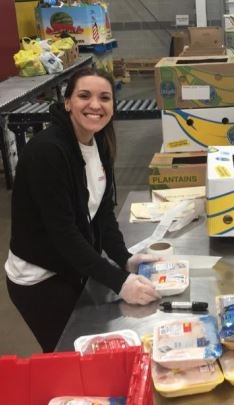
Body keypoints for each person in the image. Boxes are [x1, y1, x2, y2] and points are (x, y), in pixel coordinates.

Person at [5, 67, 161, 352]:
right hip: (39, 279)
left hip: (70, 267)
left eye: (105, 97)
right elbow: (63, 234)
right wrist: (119, 281)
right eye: (84, 96)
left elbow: (102, 213)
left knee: (94, 347)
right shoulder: (47, 152)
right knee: (73, 354)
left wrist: (125, 259)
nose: (95, 105)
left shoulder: (98, 142)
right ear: (67, 102)